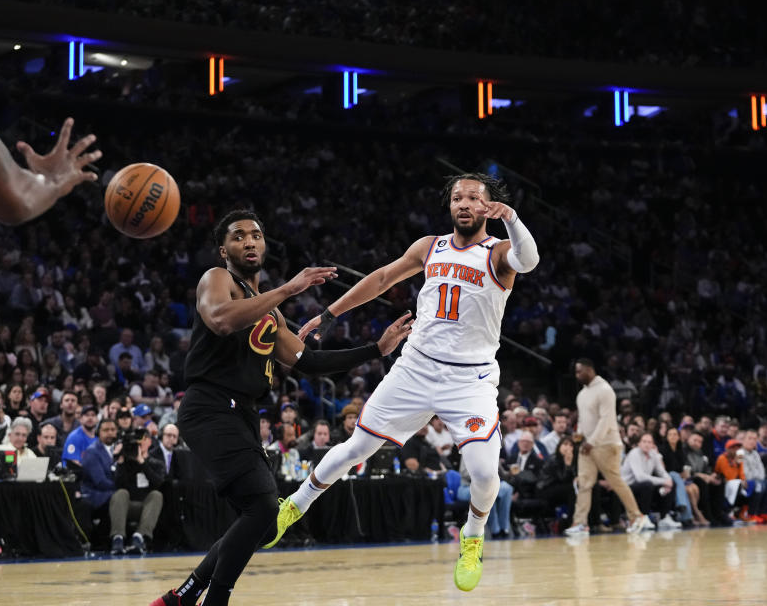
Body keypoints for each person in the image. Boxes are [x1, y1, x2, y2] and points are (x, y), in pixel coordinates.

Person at [274, 173, 540, 592]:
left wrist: (513, 219)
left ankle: (472, 536)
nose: (464, 203)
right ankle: (294, 504)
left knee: (486, 475)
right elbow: (380, 279)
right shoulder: (429, 246)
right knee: (358, 447)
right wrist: (328, 316)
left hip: (469, 380)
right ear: (449, 205)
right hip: (415, 367)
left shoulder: (500, 252)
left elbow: (529, 261)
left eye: (474, 197)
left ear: (489, 206)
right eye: (457, 197)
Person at [151, 210, 410, 606]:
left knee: (257, 518)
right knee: (262, 506)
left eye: (256, 235)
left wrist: (376, 349)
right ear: (225, 249)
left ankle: (182, 598)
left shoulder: (269, 311)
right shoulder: (217, 279)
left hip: (242, 412)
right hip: (208, 405)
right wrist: (288, 289)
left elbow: (308, 360)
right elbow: (221, 320)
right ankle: (210, 601)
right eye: (239, 237)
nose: (250, 242)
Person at [564, 358, 652, 536]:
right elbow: (582, 419)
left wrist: (592, 442)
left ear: (590, 370)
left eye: (579, 371)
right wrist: (580, 435)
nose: (577, 375)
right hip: (587, 445)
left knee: (615, 481)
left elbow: (607, 419)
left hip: (607, 444)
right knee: (584, 483)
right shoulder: (582, 394)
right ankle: (580, 523)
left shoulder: (605, 390)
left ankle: (637, 517)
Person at [111, 428, 165, 555]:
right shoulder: (126, 462)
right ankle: (117, 538)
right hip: (127, 506)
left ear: (149, 442)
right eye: (137, 440)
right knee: (120, 493)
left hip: (147, 507)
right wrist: (120, 462)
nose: (139, 442)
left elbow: (158, 483)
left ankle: (139, 537)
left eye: (142, 439)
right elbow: (119, 484)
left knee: (157, 495)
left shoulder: (156, 462)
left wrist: (142, 462)